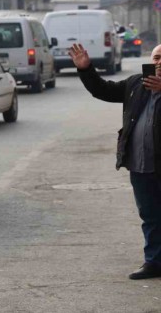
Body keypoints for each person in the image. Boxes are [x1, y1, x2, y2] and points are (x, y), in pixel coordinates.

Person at [69, 42, 161, 280]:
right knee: (150, 216)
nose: (158, 63)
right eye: (156, 58)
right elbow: (103, 90)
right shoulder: (136, 83)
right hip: (141, 165)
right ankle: (154, 262)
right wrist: (86, 69)